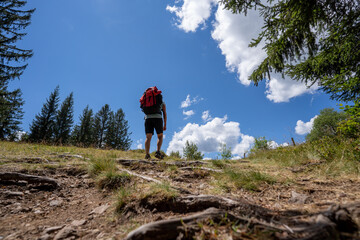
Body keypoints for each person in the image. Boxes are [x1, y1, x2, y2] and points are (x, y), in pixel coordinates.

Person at [141, 87, 167, 159]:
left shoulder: (146, 99)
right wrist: (165, 124)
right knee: (160, 136)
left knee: (148, 137)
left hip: (148, 118)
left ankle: (147, 155)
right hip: (158, 118)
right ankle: (158, 152)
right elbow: (164, 113)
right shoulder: (160, 100)